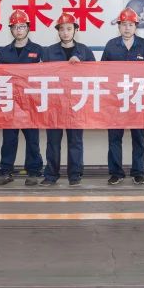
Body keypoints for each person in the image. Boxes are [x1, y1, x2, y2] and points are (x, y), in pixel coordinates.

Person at [101, 7, 144, 186]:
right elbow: (103, 73)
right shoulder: (111, 45)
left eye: (130, 24)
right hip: (115, 101)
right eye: (124, 24)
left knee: (139, 138)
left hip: (137, 99)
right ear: (119, 26)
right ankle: (116, 173)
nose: (127, 28)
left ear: (136, 26)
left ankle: (138, 172)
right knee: (114, 138)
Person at [40, 12, 94, 186]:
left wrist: (81, 66)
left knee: (75, 141)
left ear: (75, 30)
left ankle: (75, 175)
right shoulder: (48, 52)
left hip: (76, 103)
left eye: (69, 29)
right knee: (53, 142)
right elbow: (41, 75)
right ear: (58, 31)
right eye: (62, 29)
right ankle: (51, 175)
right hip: (54, 104)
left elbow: (96, 75)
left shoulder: (84, 51)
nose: (65, 32)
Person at [0, 9, 45, 186]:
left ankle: (34, 171)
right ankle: (5, 171)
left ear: (28, 28)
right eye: (15, 27)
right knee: (9, 140)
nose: (18, 30)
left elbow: (46, 76)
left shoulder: (39, 51)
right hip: (10, 103)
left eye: (22, 26)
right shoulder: (4, 52)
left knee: (32, 140)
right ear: (11, 29)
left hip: (31, 103)